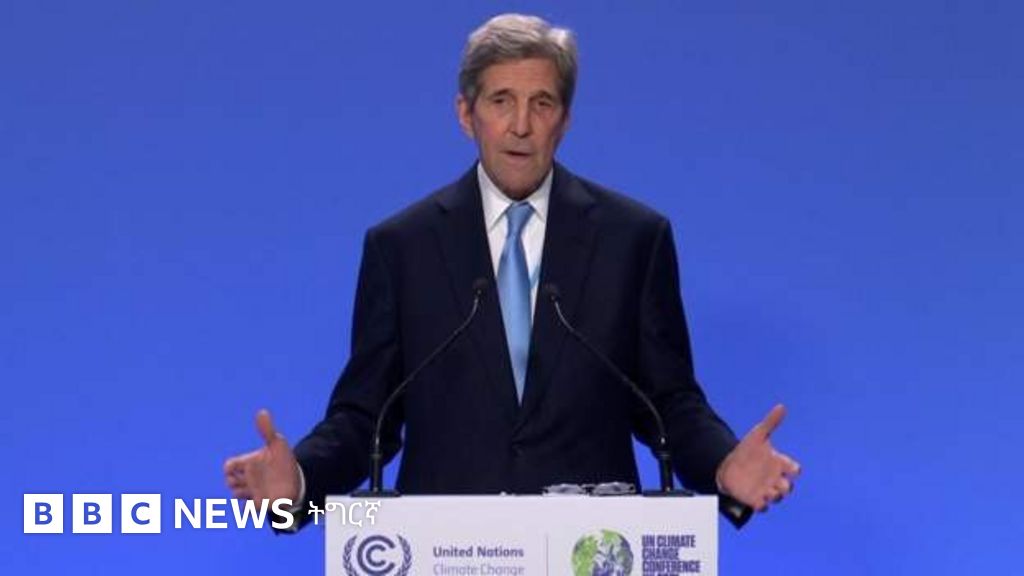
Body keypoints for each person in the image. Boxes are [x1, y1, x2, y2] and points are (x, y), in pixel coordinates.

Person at [224, 13, 800, 530]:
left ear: (564, 120)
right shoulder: (402, 247)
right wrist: (298, 483)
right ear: (466, 114)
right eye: (501, 100)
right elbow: (364, 418)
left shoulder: (633, 239)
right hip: (444, 552)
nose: (521, 125)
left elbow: (669, 403)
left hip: (591, 551)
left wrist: (724, 467)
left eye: (541, 103)